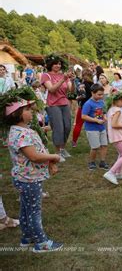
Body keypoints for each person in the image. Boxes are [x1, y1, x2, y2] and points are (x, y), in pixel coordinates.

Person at [5, 99, 62, 252]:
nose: (32, 111)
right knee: (34, 211)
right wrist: (53, 157)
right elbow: (34, 156)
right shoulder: (20, 133)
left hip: (27, 177)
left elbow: (38, 148)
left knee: (26, 209)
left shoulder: (24, 130)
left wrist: (49, 162)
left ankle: (27, 238)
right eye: (27, 110)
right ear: (17, 114)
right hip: (29, 179)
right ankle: (41, 243)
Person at [40, 54, 75, 161]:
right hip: (53, 104)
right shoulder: (46, 75)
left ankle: (63, 148)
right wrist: (63, 79)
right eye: (55, 63)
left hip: (64, 103)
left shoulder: (63, 75)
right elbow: (51, 89)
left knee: (67, 126)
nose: (58, 66)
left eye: (59, 64)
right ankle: (57, 152)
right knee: (58, 128)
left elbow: (71, 90)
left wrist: (72, 80)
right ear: (51, 64)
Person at [103, 92, 122, 185]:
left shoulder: (111, 109)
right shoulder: (117, 110)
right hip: (117, 136)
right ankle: (111, 172)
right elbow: (114, 124)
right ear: (116, 100)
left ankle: (119, 172)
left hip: (115, 135)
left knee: (121, 153)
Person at [81, 84, 109, 171]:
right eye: (99, 94)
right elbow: (84, 116)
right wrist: (96, 120)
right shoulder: (88, 104)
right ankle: (92, 162)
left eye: (102, 94)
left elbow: (103, 111)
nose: (101, 96)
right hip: (92, 129)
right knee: (95, 147)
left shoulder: (101, 102)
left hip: (102, 127)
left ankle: (102, 162)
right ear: (92, 93)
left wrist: (104, 117)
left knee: (104, 145)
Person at [71, 69, 94, 148]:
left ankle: (74, 142)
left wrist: (77, 98)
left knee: (78, 124)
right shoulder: (93, 84)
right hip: (93, 106)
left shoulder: (83, 84)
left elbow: (83, 96)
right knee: (93, 124)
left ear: (83, 75)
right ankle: (94, 141)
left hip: (83, 106)